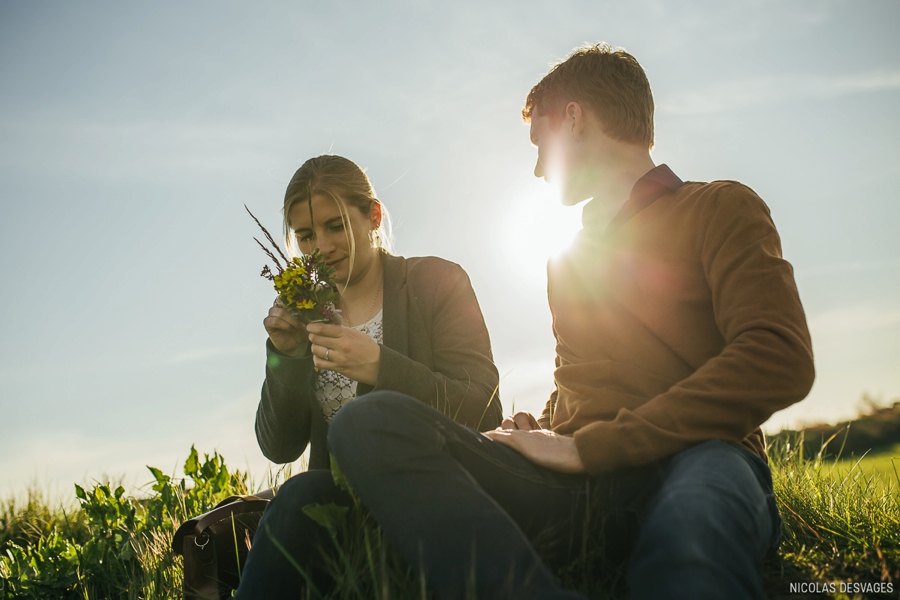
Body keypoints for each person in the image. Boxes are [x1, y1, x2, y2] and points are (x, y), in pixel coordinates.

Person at [326, 44, 815, 599]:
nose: (536, 168)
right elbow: (585, 378)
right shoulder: (566, 260)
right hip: (581, 487)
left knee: (691, 547)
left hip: (703, 458)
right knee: (367, 423)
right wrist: (545, 427)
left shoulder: (720, 207)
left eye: (540, 144)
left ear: (574, 118)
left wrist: (593, 446)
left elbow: (779, 356)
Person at [235, 154, 502, 597]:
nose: (320, 246)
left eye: (335, 225)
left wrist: (382, 367)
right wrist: (284, 357)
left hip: (433, 500)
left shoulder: (436, 281)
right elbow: (278, 447)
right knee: (298, 496)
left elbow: (484, 407)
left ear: (373, 216)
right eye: (305, 235)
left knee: (299, 497)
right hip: (340, 518)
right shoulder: (308, 312)